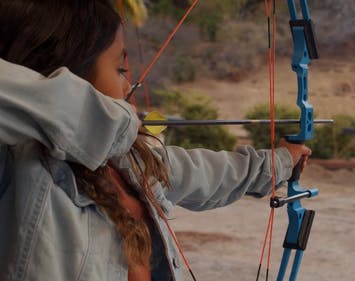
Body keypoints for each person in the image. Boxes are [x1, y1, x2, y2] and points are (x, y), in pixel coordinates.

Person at [0, 1, 312, 281]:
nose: (128, 85)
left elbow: (205, 172)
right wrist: (97, 119)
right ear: (69, 74)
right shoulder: (16, 162)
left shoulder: (127, 162)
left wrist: (281, 161)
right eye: (120, 69)